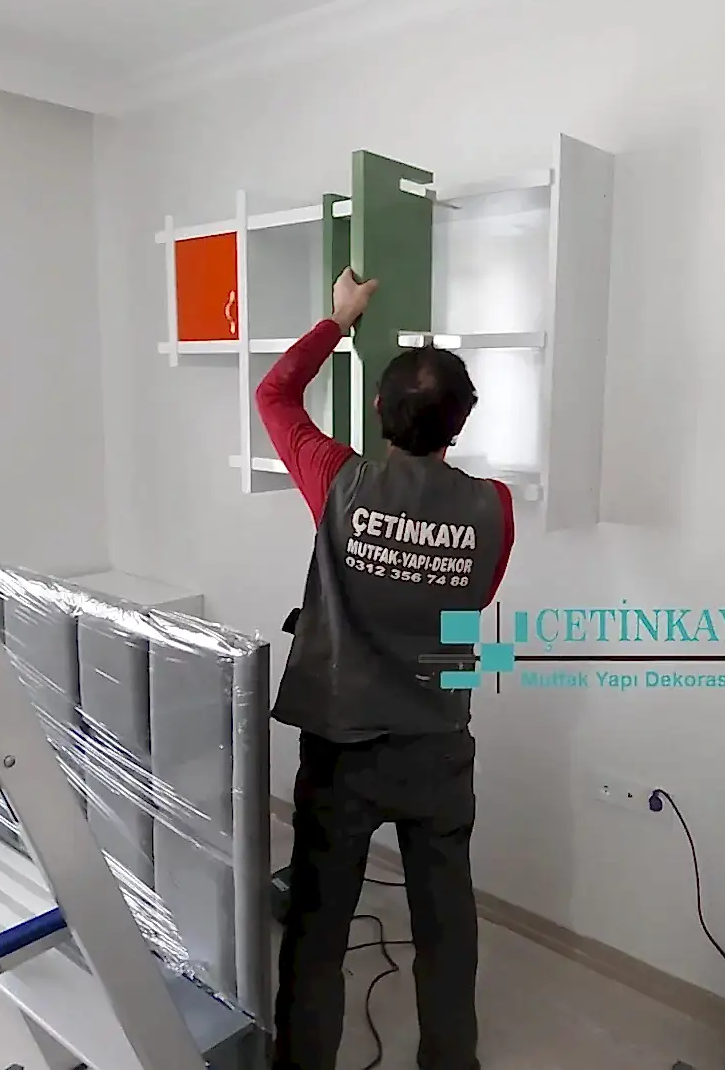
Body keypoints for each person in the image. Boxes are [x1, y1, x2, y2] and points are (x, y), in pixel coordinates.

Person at [256, 269, 514, 1070]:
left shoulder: (339, 481)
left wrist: (339, 319)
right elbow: (468, 605)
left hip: (342, 746)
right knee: (446, 921)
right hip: (437, 745)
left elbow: (274, 395)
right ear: (459, 424)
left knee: (318, 927)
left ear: (377, 410)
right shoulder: (494, 507)